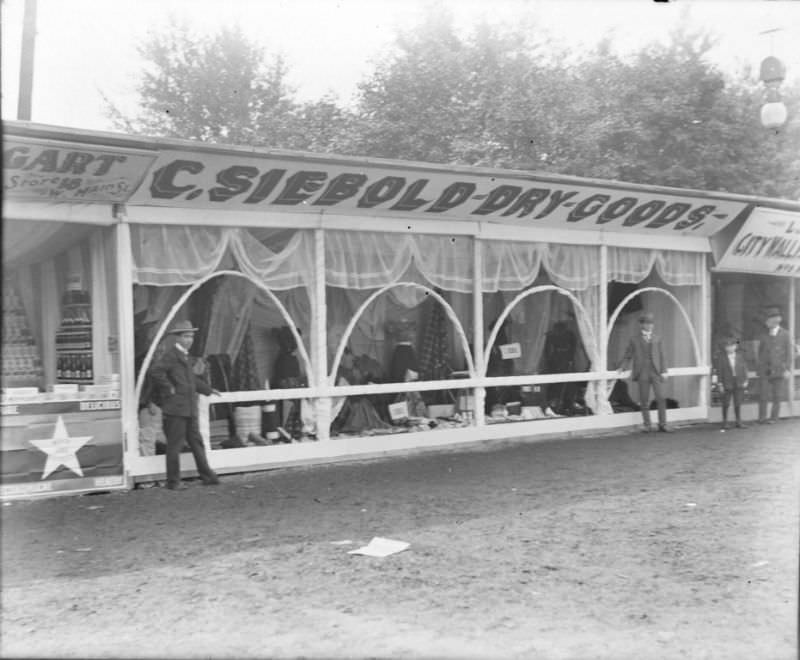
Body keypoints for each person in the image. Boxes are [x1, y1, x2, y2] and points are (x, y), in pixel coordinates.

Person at [149, 319, 221, 490]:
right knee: (175, 446)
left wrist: (208, 389)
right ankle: (173, 482)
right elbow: (155, 371)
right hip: (176, 409)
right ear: (177, 338)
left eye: (191, 336)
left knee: (197, 442)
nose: (189, 340)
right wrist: (169, 389)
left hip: (188, 408)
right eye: (186, 336)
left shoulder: (184, 356)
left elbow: (191, 380)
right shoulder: (171, 355)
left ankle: (208, 476)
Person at [616, 311, 671, 433]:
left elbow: (662, 356)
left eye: (651, 323)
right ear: (641, 324)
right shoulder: (634, 339)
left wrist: (664, 371)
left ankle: (663, 424)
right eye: (647, 323)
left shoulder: (657, 338)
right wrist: (622, 367)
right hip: (642, 372)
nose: (650, 325)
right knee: (644, 400)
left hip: (655, 371)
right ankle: (647, 424)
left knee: (661, 398)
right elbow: (628, 355)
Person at [756, 306, 793, 424]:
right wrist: (760, 367)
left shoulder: (785, 334)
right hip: (765, 370)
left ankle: (774, 418)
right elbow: (760, 352)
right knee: (763, 395)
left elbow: (789, 353)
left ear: (776, 320)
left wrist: (786, 369)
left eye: (768, 320)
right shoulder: (763, 335)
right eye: (766, 320)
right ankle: (762, 418)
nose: (766, 323)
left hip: (779, 370)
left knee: (777, 396)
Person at [715, 336, 748, 430]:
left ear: (735, 346)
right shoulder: (721, 358)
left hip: (738, 382)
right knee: (726, 403)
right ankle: (725, 422)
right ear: (725, 348)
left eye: (732, 346)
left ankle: (738, 421)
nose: (730, 348)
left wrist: (746, 380)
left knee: (738, 403)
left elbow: (744, 369)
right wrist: (720, 384)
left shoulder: (740, 356)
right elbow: (719, 371)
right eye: (728, 346)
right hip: (727, 383)